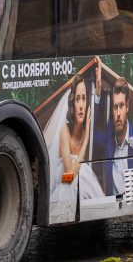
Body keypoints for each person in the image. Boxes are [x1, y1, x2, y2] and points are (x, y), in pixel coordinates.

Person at [43, 72, 103, 202]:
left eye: (83, 98)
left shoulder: (85, 127)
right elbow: (69, 176)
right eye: (77, 99)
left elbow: (95, 112)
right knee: (78, 176)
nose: (81, 106)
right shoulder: (64, 130)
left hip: (79, 183)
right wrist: (86, 139)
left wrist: (98, 90)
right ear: (72, 103)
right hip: (65, 183)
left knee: (83, 174)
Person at [93, 76, 133, 196]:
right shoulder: (109, 136)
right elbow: (91, 135)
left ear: (127, 106)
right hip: (113, 204)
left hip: (131, 203)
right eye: (115, 107)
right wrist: (97, 96)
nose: (118, 114)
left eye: (121, 106)